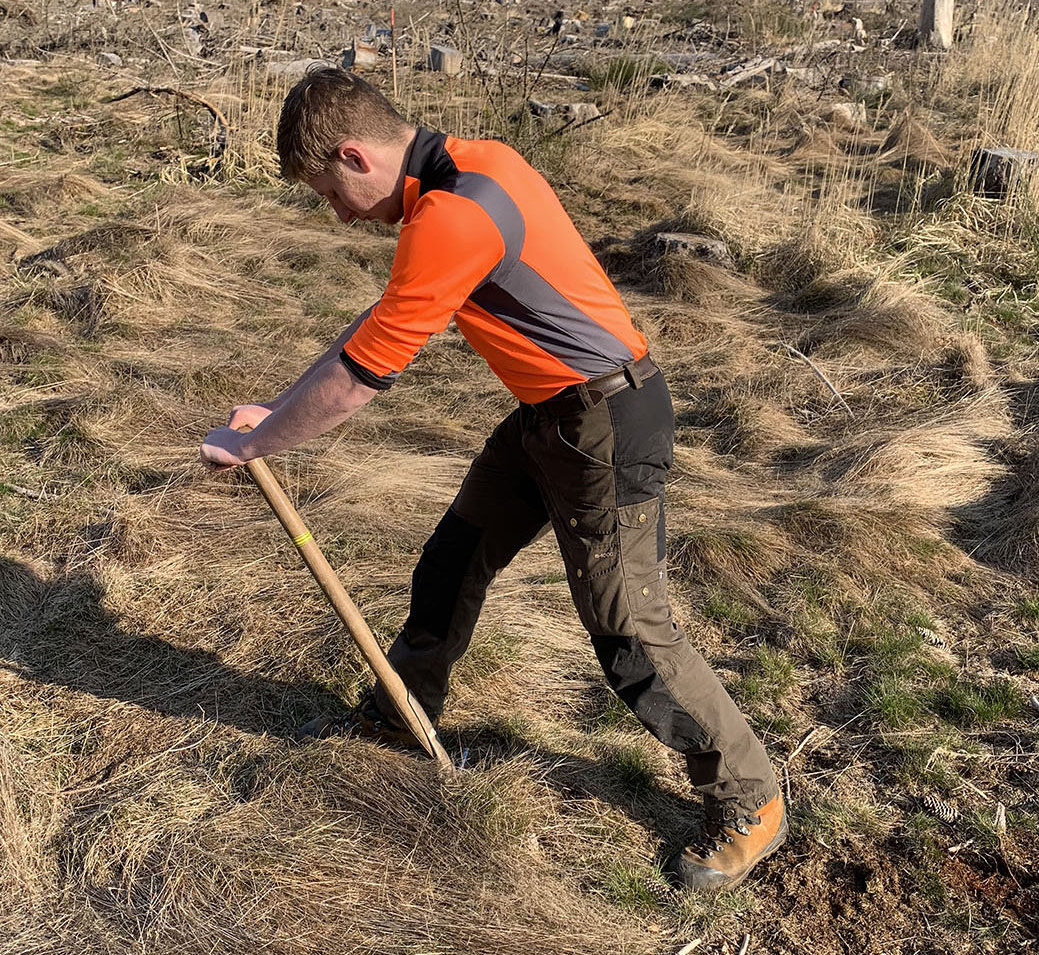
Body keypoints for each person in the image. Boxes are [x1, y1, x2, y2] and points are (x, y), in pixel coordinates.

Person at [199, 67, 784, 890]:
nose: (334, 214)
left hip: (606, 422)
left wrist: (261, 446)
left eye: (329, 191)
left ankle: (751, 794)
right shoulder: (472, 166)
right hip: (551, 416)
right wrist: (275, 407)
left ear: (355, 155)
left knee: (627, 625)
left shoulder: (455, 216)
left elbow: (363, 379)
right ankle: (406, 709)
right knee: (454, 556)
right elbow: (375, 327)